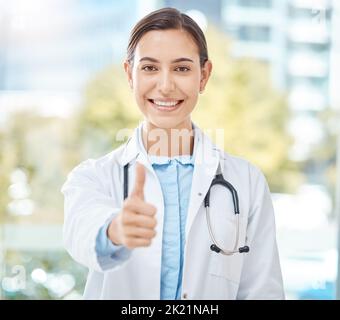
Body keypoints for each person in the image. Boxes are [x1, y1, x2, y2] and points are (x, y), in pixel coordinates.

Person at [61, 7, 285, 300]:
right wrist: (115, 231)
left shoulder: (247, 182)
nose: (165, 86)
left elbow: (262, 291)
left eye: (181, 68)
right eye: (150, 68)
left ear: (203, 76)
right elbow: (81, 231)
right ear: (130, 74)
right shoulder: (93, 177)